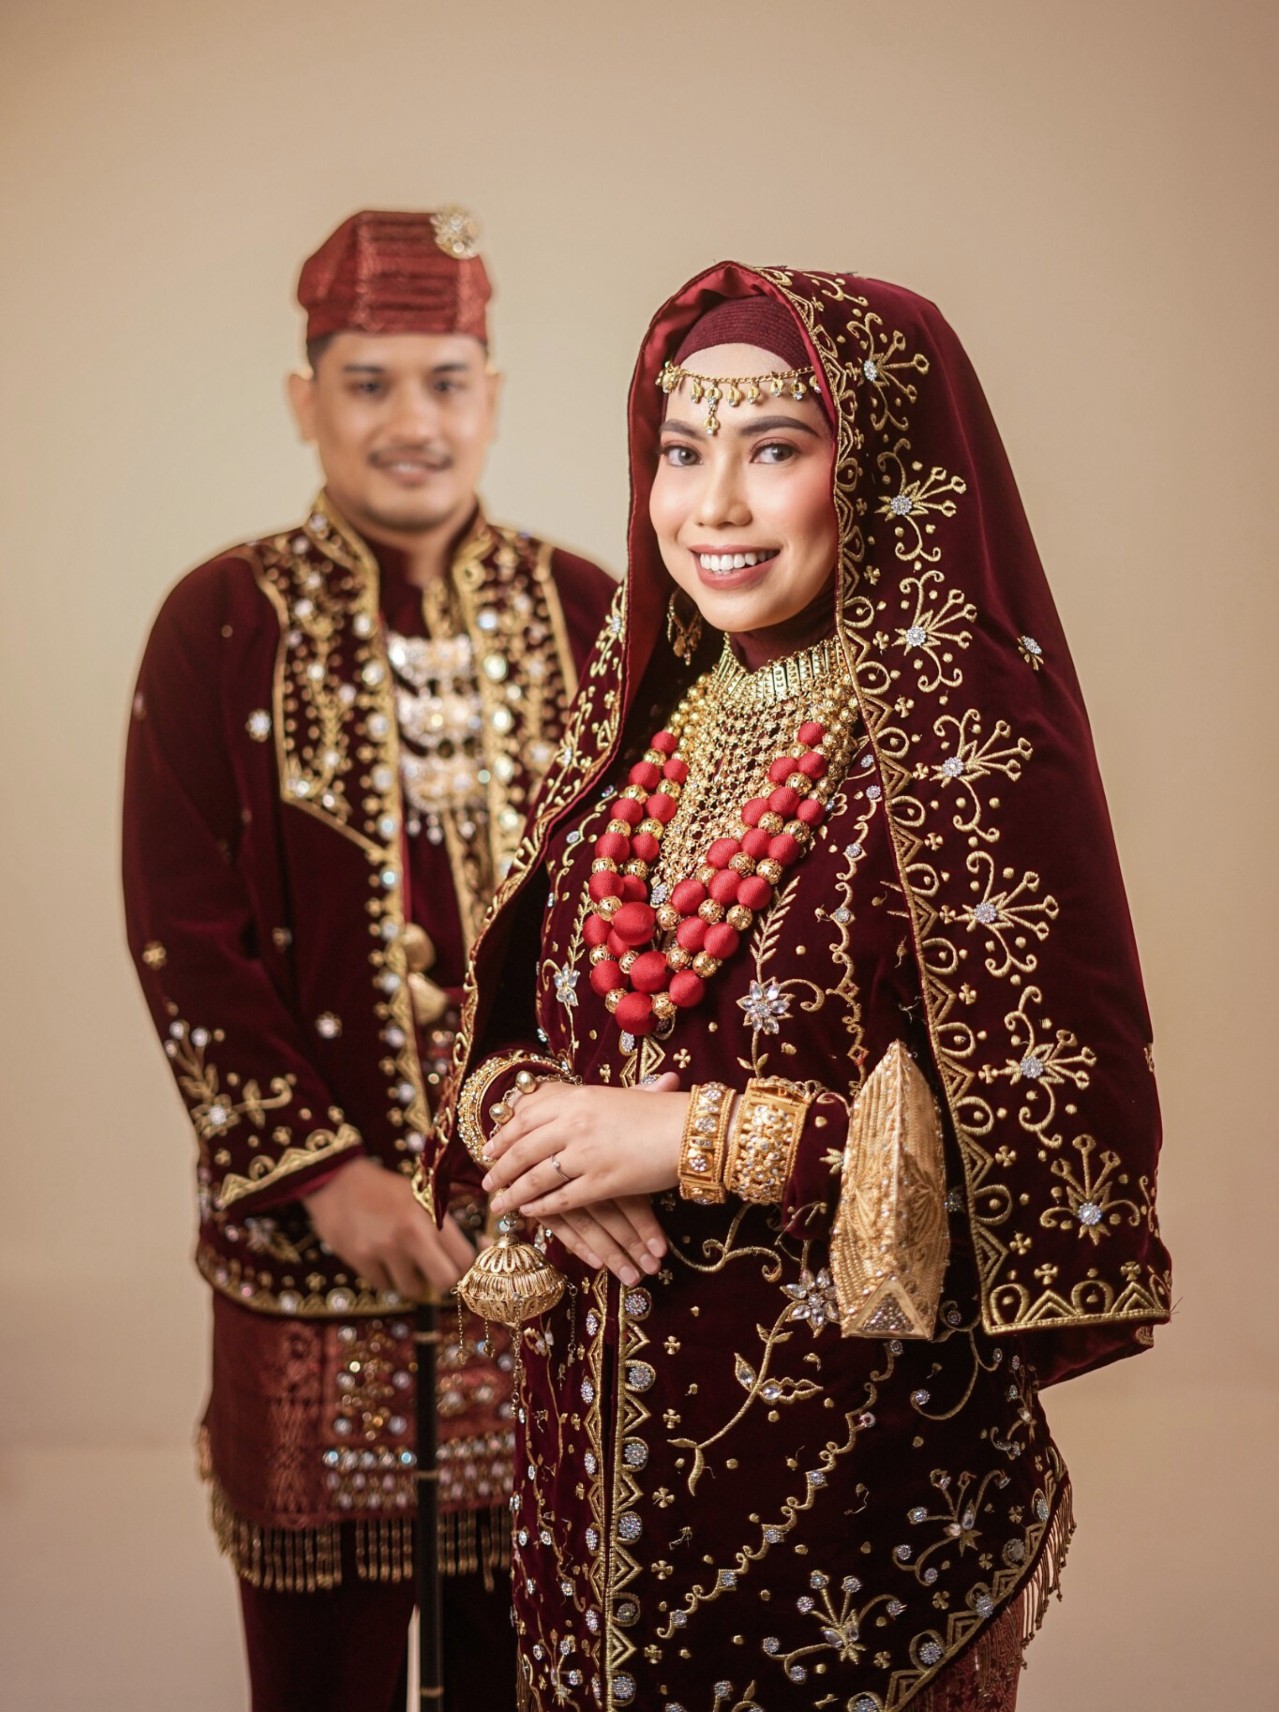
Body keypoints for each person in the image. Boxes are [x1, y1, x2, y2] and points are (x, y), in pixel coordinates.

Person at [423, 264, 1172, 1712]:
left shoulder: (966, 752)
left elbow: (1060, 1158)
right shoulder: (640, 725)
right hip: (582, 1510)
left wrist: (689, 1137)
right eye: (679, 452)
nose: (712, 507)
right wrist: (538, 1137)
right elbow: (509, 1032)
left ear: (876, 470)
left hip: (848, 1502)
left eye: (773, 450)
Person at [122, 207, 616, 1712]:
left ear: (494, 395)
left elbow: (654, 923)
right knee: (320, 1677)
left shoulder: (594, 613)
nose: (415, 421)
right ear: (305, 399)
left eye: (447, 381)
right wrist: (327, 1177)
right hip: (307, 1253)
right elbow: (182, 934)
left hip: (551, 1250)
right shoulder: (221, 622)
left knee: (539, 1660)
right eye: (369, 382)